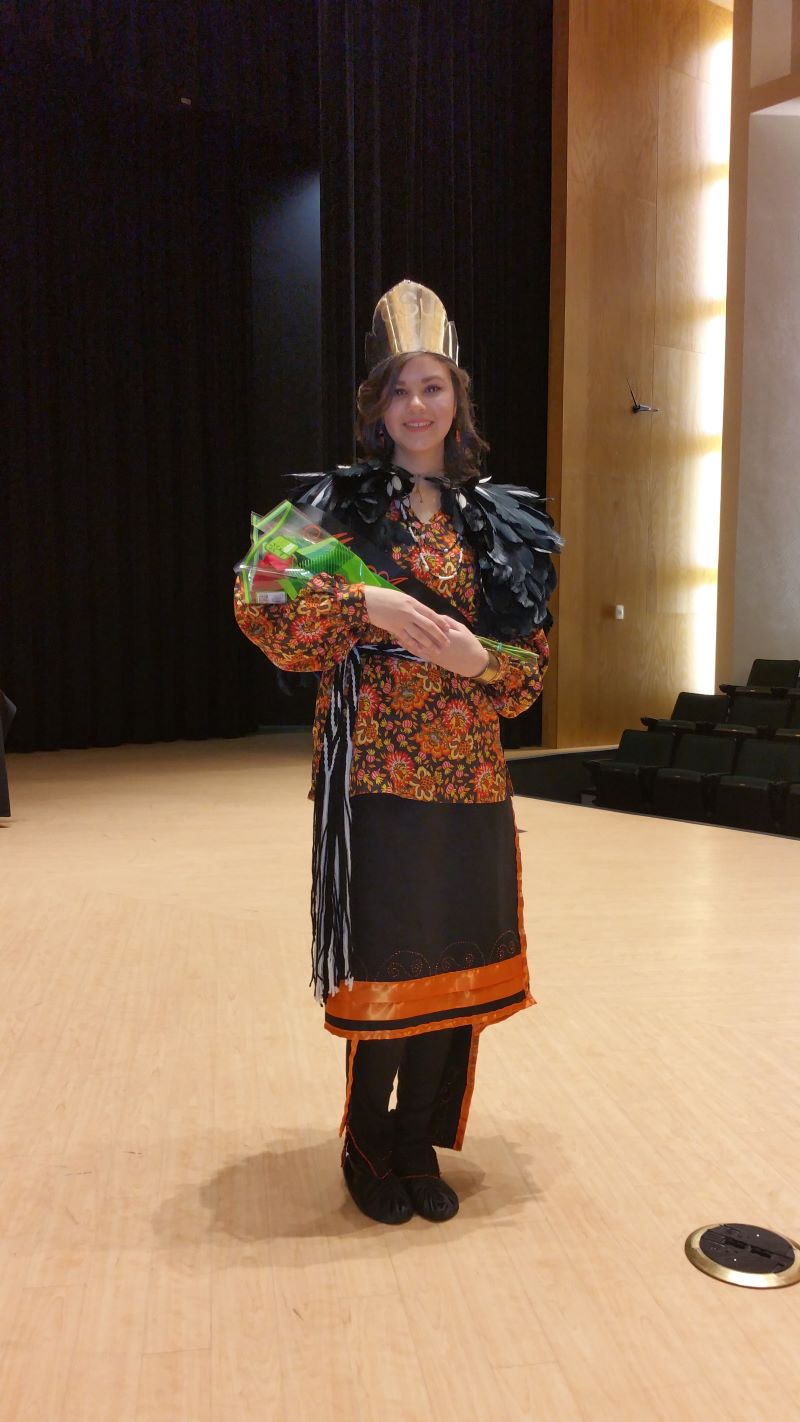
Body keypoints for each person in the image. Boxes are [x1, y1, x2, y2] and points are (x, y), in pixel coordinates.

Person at [235, 280, 560, 1225]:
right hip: (371, 772)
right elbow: (256, 598)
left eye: (433, 387)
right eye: (398, 391)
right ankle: (367, 1138)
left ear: (458, 399)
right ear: (375, 407)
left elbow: (527, 666)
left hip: (469, 774)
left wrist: (474, 655)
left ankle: (418, 1135)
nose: (416, 407)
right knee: (388, 956)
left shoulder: (504, 519)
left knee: (454, 957)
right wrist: (364, 602)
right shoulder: (326, 503)